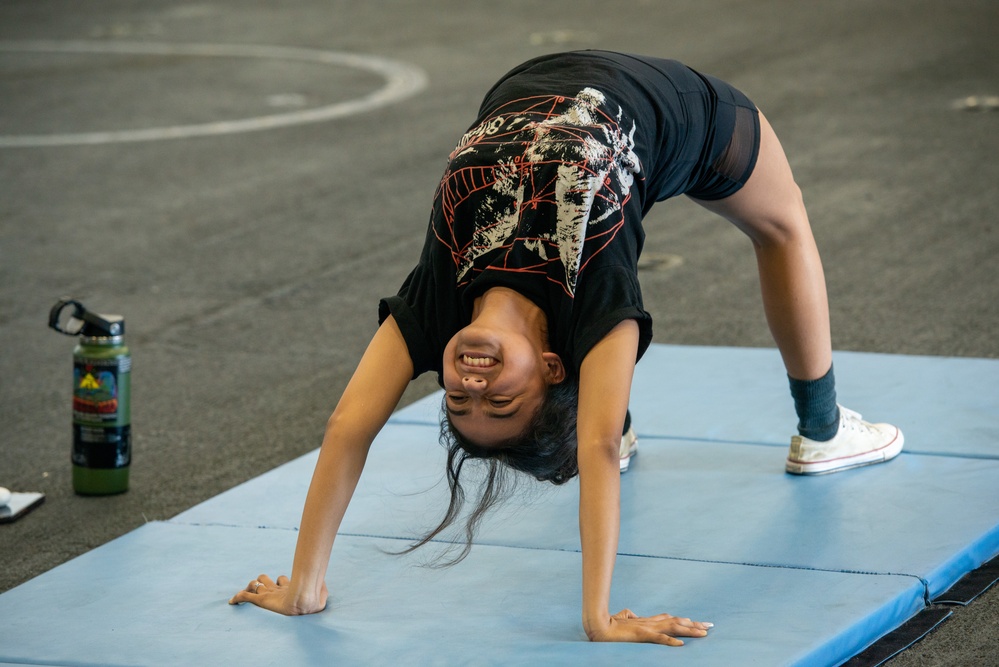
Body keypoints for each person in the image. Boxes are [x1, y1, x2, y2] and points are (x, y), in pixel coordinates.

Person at [229, 50, 903, 646]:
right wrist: (597, 617)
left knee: (599, 405)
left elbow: (348, 425)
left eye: (458, 397)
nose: (470, 382)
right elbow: (598, 446)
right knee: (782, 225)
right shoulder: (595, 292)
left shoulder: (437, 305)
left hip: (534, 76)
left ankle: (805, 427)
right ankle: (821, 430)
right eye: (500, 399)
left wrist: (305, 586)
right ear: (554, 367)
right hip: (681, 113)